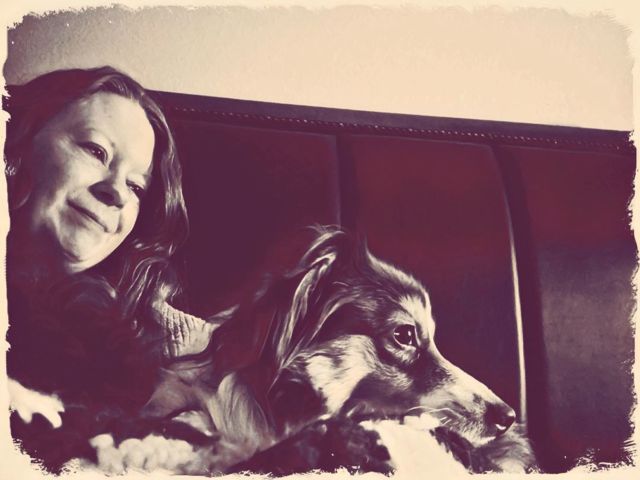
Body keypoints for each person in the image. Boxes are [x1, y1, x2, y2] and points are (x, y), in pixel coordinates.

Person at [3, 66, 214, 469]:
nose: (117, 192)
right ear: (19, 141)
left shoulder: (177, 344)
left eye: (136, 186)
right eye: (96, 151)